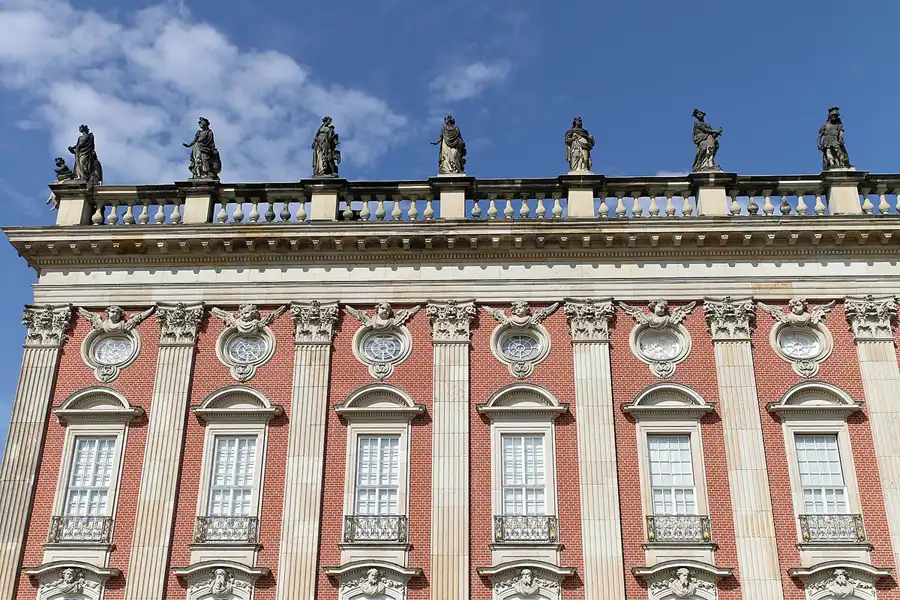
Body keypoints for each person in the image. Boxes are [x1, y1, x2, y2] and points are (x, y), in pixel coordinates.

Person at [818, 106, 852, 170]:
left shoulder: (839, 125)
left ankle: (842, 163)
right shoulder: (825, 125)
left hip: (835, 140)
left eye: (836, 116)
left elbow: (841, 132)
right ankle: (831, 163)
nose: (834, 117)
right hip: (827, 141)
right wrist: (819, 144)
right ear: (830, 116)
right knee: (829, 153)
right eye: (833, 115)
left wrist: (840, 138)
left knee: (839, 152)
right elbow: (820, 136)